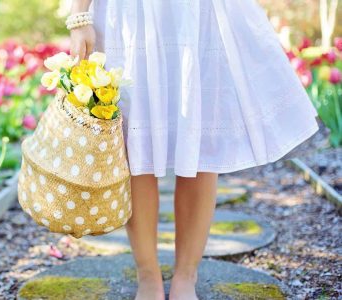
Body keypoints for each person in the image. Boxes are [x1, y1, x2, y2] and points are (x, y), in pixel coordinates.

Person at [67, 0, 320, 299]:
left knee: (201, 136)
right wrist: (79, 16)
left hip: (198, 12)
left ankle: (186, 276)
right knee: (133, 141)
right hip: (127, 13)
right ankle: (148, 276)